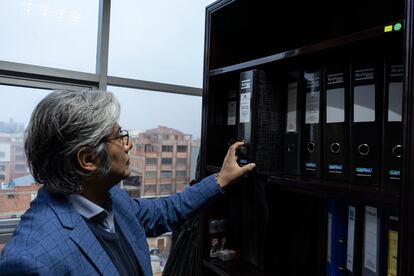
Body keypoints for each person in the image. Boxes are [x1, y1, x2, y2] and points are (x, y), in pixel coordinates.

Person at [0, 89, 255, 276]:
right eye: (120, 137)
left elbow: (166, 211)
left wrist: (220, 179)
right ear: (88, 159)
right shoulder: (31, 260)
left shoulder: (112, 199)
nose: (129, 144)